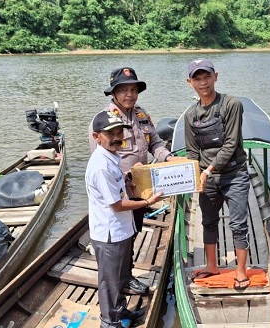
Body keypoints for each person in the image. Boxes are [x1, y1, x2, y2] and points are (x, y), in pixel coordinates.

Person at [88, 67, 179, 295]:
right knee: (118, 239)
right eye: (124, 90)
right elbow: (100, 161)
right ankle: (117, 282)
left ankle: (126, 277)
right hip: (118, 192)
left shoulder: (142, 115)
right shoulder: (102, 122)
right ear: (114, 94)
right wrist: (125, 174)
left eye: (133, 89)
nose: (130, 95)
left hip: (140, 187)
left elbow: (155, 144)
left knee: (133, 233)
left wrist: (168, 158)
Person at [86, 110, 163, 328]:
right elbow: (117, 205)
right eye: (111, 133)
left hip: (119, 229)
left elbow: (117, 191)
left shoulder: (112, 158)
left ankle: (120, 311)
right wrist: (147, 202)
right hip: (109, 232)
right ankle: (108, 322)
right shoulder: (101, 165)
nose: (117, 136)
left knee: (119, 276)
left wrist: (129, 180)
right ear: (97, 137)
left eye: (119, 131)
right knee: (109, 280)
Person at [184, 58, 251, 289]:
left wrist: (209, 169)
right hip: (207, 178)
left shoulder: (231, 104)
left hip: (234, 174)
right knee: (208, 222)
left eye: (207, 77)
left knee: (238, 224)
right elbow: (193, 151)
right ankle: (212, 265)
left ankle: (241, 271)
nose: (203, 83)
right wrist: (195, 175)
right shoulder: (190, 115)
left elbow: (231, 143)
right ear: (189, 82)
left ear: (216, 77)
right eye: (197, 78)